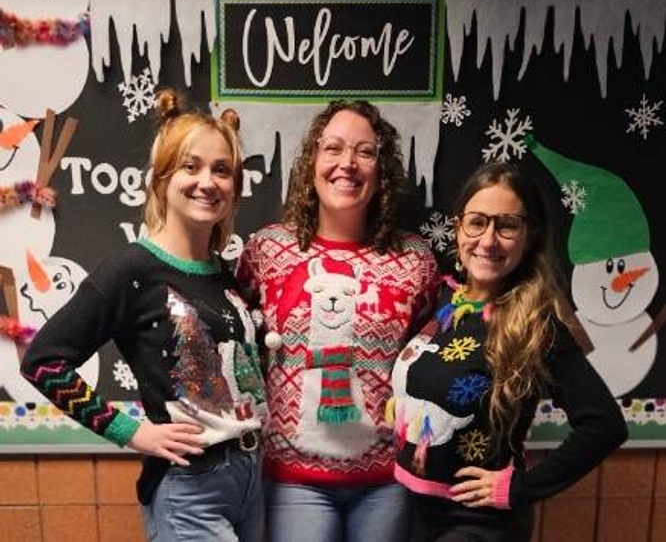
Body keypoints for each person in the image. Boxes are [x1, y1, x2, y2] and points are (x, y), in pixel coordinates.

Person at [21, 89, 267, 542]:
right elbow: (43, 363)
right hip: (191, 489)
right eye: (190, 166)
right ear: (161, 179)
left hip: (252, 481)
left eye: (222, 170)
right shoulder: (131, 270)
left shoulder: (227, 276)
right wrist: (132, 433)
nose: (207, 181)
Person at [388, 161, 628, 541]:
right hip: (414, 512)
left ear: (529, 235)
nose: (488, 240)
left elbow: (604, 425)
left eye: (507, 225)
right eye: (478, 222)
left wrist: (521, 488)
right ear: (458, 227)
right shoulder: (443, 299)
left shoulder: (536, 325)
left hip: (477, 525)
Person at [237, 100, 440, 542]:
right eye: (333, 148)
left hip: (387, 480)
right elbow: (234, 333)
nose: (347, 163)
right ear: (312, 161)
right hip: (294, 479)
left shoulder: (416, 260)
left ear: (381, 170)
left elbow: (429, 351)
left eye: (364, 152)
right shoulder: (267, 251)